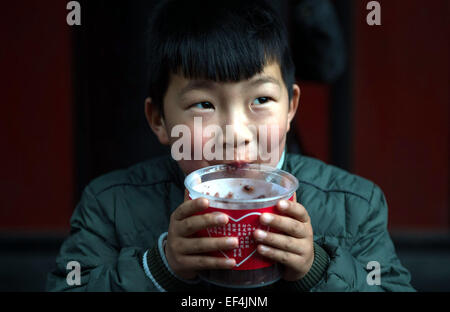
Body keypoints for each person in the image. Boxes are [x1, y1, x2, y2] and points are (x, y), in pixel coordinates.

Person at [47, 0, 414, 292]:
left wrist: (316, 269)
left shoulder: (355, 204)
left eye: (261, 100)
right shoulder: (109, 205)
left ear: (291, 108)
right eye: (203, 104)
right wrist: (158, 267)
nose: (235, 133)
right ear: (158, 119)